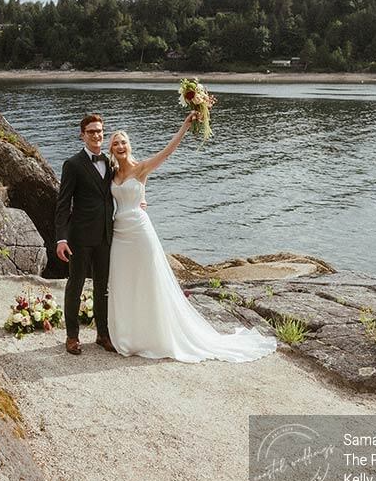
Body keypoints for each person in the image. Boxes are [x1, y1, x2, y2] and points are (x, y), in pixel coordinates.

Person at [106, 112, 277, 363]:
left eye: (123, 142)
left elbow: (167, 152)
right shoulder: (111, 174)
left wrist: (185, 126)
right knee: (123, 281)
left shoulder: (141, 168)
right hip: (119, 232)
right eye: (115, 143)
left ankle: (154, 335)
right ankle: (128, 334)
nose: (120, 146)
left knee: (148, 280)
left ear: (129, 146)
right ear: (111, 149)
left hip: (140, 232)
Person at [55, 113, 117, 355]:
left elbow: (124, 185)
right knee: (76, 286)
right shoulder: (72, 164)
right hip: (79, 238)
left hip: (105, 236)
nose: (96, 135)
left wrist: (139, 201)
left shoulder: (111, 163)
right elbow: (63, 204)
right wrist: (61, 238)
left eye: (99, 131)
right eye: (91, 131)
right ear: (83, 135)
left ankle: (103, 334)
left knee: (103, 288)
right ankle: (72, 336)